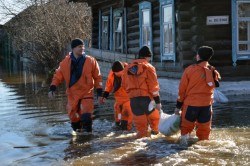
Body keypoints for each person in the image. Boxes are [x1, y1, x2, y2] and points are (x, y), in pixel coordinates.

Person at [48, 38, 103, 135]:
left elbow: (98, 77)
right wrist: (52, 88)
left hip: (87, 93)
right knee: (75, 122)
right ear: (73, 48)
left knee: (86, 117)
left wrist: (99, 92)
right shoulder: (64, 63)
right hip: (73, 95)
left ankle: (88, 140)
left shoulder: (91, 61)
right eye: (79, 47)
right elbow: (57, 77)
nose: (82, 48)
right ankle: (78, 140)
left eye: (83, 47)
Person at [174, 46, 221, 142]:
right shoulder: (213, 71)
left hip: (191, 105)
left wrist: (178, 106)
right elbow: (216, 84)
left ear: (198, 56)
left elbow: (182, 90)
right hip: (206, 106)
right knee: (204, 134)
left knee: (185, 132)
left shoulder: (190, 70)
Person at [122, 46, 161, 138]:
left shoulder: (127, 69)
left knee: (141, 130)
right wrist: (158, 102)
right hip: (147, 100)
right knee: (155, 126)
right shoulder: (149, 67)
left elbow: (123, 85)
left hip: (133, 101)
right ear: (147, 57)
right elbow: (154, 86)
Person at [101, 61, 133, 131]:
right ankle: (118, 126)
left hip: (128, 100)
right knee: (117, 115)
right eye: (115, 72)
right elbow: (108, 86)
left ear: (123, 70)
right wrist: (105, 96)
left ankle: (126, 130)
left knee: (126, 114)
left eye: (117, 72)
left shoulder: (130, 73)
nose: (116, 74)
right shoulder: (112, 73)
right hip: (118, 100)